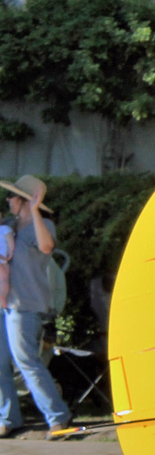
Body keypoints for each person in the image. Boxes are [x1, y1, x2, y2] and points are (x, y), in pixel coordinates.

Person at [0, 175, 70, 436]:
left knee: (27, 361)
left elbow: (46, 246)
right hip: (4, 303)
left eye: (12, 196)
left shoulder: (43, 225)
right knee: (0, 363)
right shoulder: (9, 225)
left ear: (24, 200)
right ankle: (8, 418)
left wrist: (35, 211)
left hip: (25, 303)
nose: (7, 200)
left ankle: (58, 417)